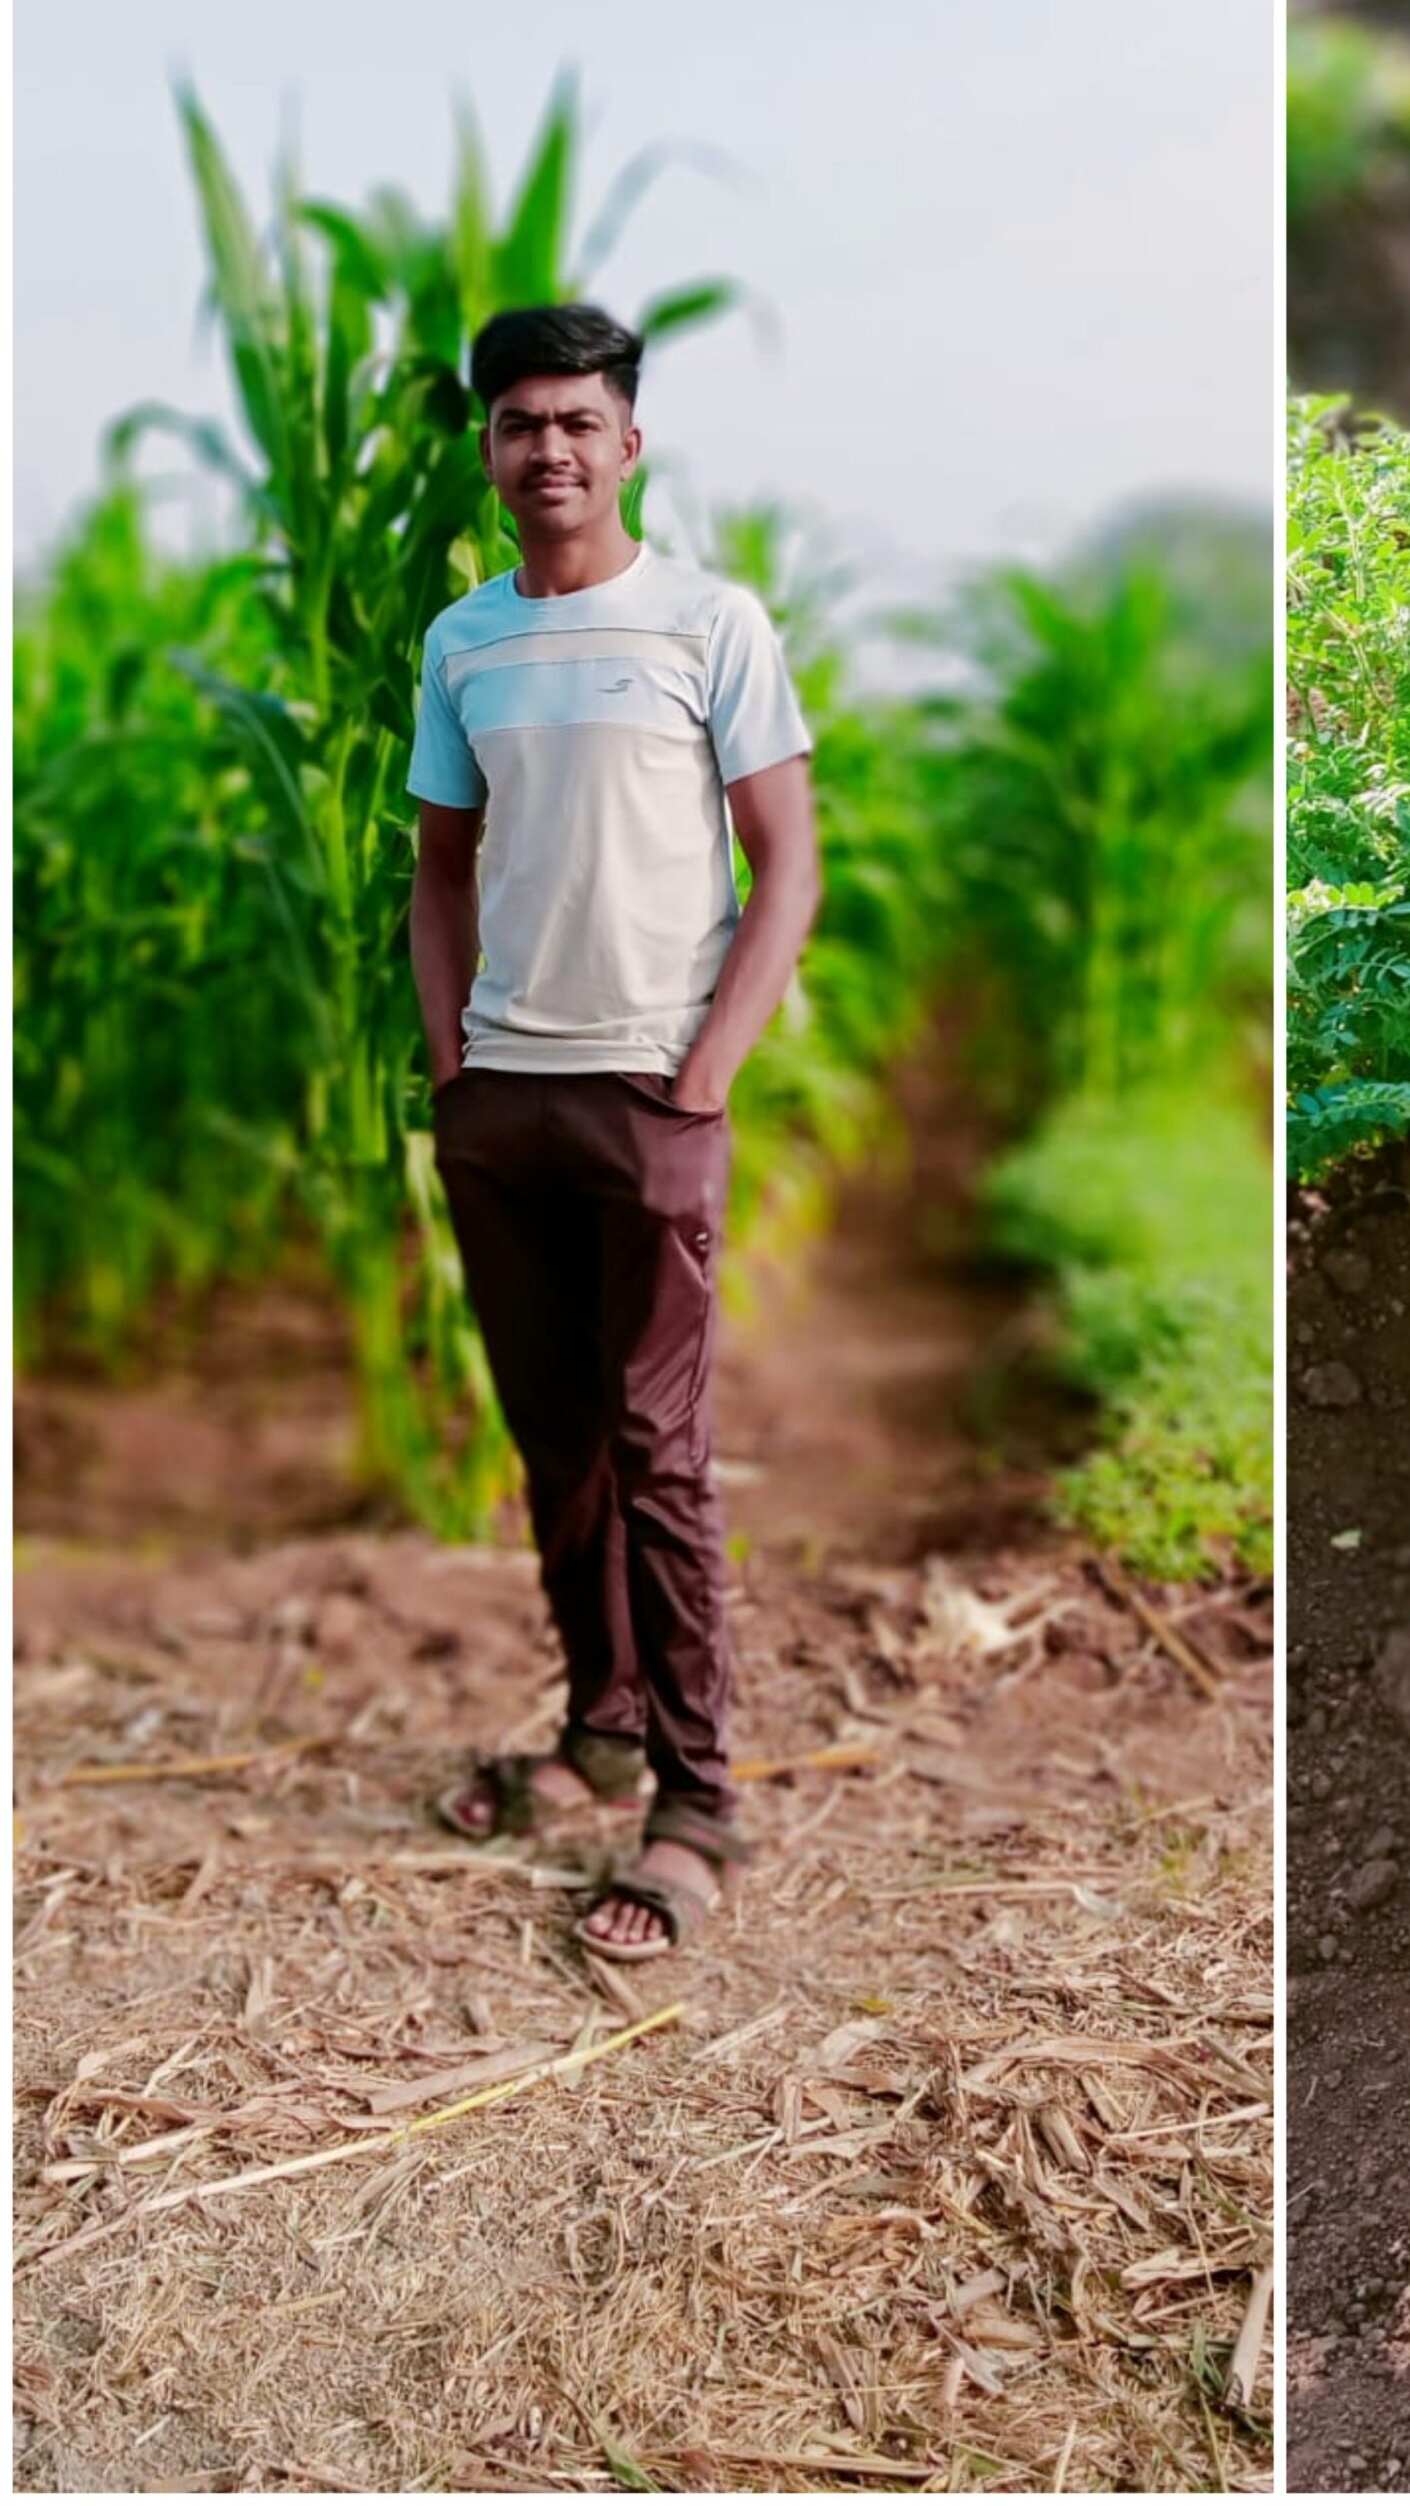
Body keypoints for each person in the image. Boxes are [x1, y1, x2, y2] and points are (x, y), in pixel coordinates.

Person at [407, 302, 821, 1961]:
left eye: (579, 420)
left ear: (629, 444)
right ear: (490, 450)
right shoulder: (463, 643)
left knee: (660, 1451)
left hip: (652, 1094)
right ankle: (598, 1725)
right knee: (556, 1448)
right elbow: (441, 873)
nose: (551, 449)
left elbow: (787, 862)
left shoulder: (711, 623)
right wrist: (456, 1069)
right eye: (522, 423)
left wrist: (706, 1071)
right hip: (503, 1103)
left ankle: (697, 1806)